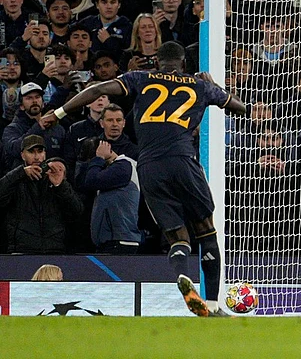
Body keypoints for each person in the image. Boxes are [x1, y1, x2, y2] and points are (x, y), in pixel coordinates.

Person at [40, 41, 247, 317]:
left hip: (149, 166)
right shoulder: (199, 86)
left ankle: (182, 276)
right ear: (183, 63)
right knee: (206, 231)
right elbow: (240, 108)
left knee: (177, 238)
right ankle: (211, 305)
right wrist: (214, 87)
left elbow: (99, 88)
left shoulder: (141, 78)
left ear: (158, 62)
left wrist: (59, 112)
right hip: (183, 161)